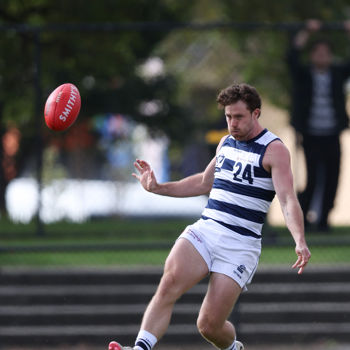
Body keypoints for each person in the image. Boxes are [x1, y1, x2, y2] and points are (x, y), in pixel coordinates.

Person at [109, 83, 311, 350]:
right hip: (207, 229)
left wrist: (299, 239)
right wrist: (158, 188)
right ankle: (139, 348)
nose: (232, 123)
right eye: (228, 117)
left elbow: (287, 199)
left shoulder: (274, 150)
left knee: (209, 326)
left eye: (239, 117)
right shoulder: (226, 143)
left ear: (256, 114)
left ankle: (233, 347)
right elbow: (204, 182)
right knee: (168, 283)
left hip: (240, 245)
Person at [287, 19, 350, 231]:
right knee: (312, 177)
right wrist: (306, 31)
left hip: (332, 134)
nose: (322, 55)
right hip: (310, 135)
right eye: (318, 52)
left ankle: (324, 220)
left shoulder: (337, 74)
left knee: (333, 177)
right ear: (312, 55)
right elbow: (292, 57)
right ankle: (304, 218)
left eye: (326, 52)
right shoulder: (304, 75)